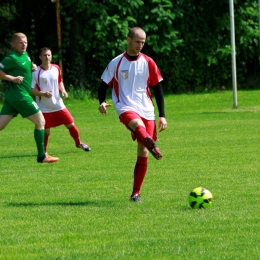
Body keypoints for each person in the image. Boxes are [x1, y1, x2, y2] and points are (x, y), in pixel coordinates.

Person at [98, 27, 167, 202]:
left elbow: (157, 88)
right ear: (128, 40)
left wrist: (162, 115)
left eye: (143, 42)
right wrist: (101, 102)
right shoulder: (116, 63)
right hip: (125, 106)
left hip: (147, 109)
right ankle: (151, 143)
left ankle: (135, 193)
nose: (140, 45)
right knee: (138, 126)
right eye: (137, 42)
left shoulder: (149, 62)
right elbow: (103, 85)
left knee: (143, 150)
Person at [0, 32, 59, 163]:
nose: (24, 44)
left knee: (1, 125)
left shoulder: (25, 55)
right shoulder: (11, 57)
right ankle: (42, 156)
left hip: (14, 97)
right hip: (20, 96)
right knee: (41, 122)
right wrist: (12, 78)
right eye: (20, 42)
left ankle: (42, 155)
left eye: (25, 42)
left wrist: (32, 68)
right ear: (13, 44)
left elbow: (24, 67)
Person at [31, 47, 91, 155]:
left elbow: (60, 81)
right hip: (44, 107)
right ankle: (44, 152)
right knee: (46, 131)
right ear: (40, 57)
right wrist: (42, 94)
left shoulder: (56, 68)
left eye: (49, 55)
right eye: (44, 55)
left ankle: (78, 143)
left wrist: (63, 91)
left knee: (71, 124)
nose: (47, 57)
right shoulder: (36, 72)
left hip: (58, 104)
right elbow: (31, 90)